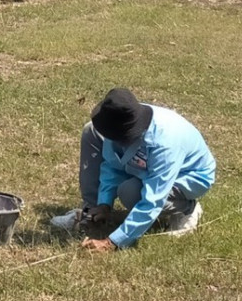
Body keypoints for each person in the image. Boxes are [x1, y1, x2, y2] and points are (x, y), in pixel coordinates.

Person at [48, 88, 217, 252]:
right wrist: (104, 203)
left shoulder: (164, 145)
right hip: (143, 167)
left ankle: (186, 208)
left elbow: (153, 200)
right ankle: (91, 214)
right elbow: (112, 163)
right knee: (91, 130)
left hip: (187, 176)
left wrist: (112, 242)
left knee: (130, 192)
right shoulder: (120, 118)